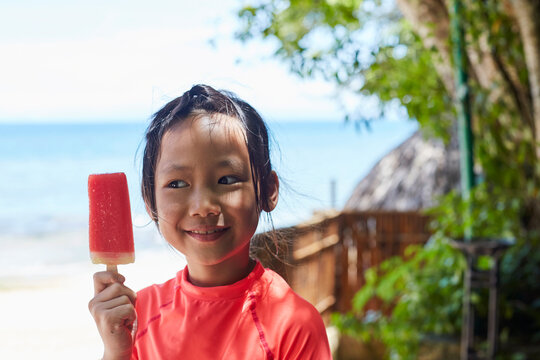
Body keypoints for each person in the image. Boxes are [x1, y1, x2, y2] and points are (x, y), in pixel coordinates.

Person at [88, 84, 332, 360]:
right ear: (150, 201)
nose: (203, 206)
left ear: (267, 190)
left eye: (226, 180)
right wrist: (116, 352)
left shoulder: (292, 325)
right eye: (177, 183)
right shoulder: (137, 315)